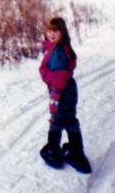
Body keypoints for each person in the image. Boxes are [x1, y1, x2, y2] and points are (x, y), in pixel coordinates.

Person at [38, 16, 92, 174]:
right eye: (49, 30)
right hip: (69, 88)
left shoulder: (58, 51)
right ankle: (76, 150)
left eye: (56, 31)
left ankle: (53, 150)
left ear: (63, 32)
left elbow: (60, 76)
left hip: (60, 89)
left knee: (56, 118)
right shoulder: (60, 47)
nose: (52, 34)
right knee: (69, 118)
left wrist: (55, 98)